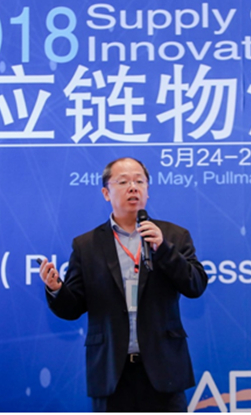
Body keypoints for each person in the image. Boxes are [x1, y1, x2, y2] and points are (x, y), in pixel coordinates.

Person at [39, 157, 208, 412]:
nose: (133, 187)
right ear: (106, 193)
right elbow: (72, 308)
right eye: (123, 182)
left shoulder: (174, 236)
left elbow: (195, 286)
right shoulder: (86, 245)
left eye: (139, 181)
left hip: (164, 369)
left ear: (148, 191)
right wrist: (56, 289)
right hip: (110, 371)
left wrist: (163, 249)